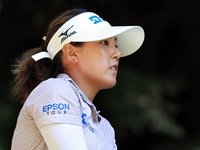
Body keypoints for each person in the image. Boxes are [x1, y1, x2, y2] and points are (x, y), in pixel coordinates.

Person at [11, 8, 144, 150]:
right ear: (71, 52)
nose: (117, 53)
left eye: (116, 46)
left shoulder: (105, 129)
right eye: (104, 42)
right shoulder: (56, 90)